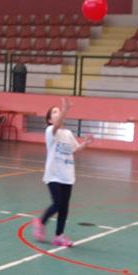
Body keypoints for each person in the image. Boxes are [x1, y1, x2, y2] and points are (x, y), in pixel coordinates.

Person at [32, 98, 93, 247]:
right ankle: (41, 221)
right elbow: (56, 125)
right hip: (54, 175)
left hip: (67, 175)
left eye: (58, 111)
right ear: (49, 120)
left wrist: (85, 143)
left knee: (64, 208)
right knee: (58, 204)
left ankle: (59, 236)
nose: (57, 113)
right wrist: (65, 109)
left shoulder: (68, 133)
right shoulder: (50, 131)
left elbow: (75, 149)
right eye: (54, 112)